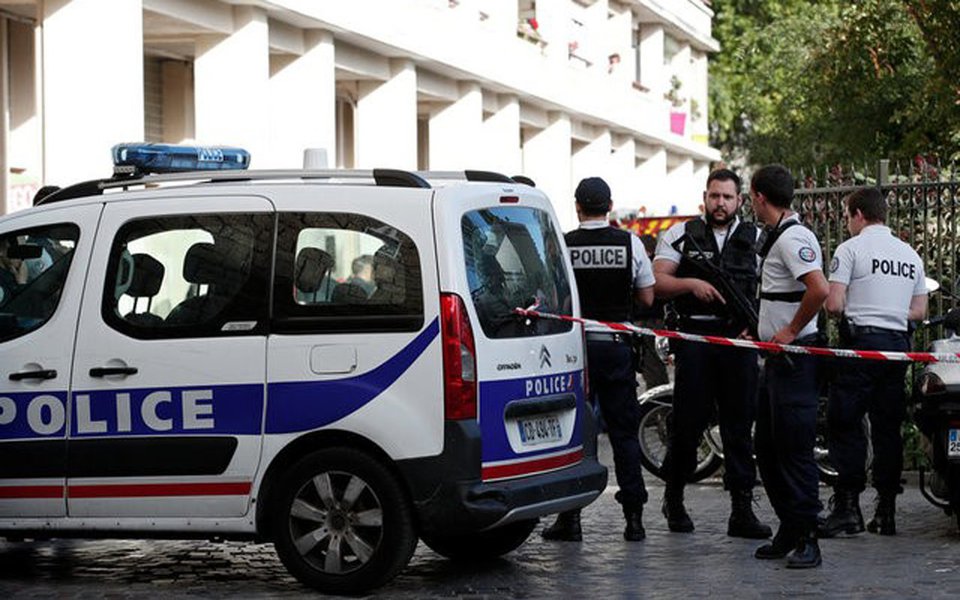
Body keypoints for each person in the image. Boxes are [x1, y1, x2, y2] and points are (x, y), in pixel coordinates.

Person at [652, 168, 770, 539]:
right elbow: (657, 282)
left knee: (739, 426)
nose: (720, 203)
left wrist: (760, 325)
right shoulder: (681, 235)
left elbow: (772, 288)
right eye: (715, 196)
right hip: (696, 339)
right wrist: (691, 284)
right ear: (705, 197)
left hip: (738, 341)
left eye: (728, 197)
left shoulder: (758, 239)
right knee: (688, 425)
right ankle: (674, 497)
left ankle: (741, 510)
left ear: (740, 201)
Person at [541, 176, 655, 542]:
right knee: (624, 432)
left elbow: (551, 296)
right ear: (609, 206)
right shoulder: (629, 242)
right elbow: (648, 298)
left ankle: (569, 518)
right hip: (617, 345)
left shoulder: (562, 244)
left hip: (574, 350)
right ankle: (634, 518)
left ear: (577, 207)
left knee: (574, 433)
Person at [819, 187, 927, 537]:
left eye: (847, 216)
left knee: (845, 421)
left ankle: (848, 506)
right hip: (897, 348)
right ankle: (886, 510)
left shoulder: (850, 249)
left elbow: (833, 305)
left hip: (860, 346)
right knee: (887, 428)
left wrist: (855, 310)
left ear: (858, 215)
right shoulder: (910, 254)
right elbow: (920, 311)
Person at [750, 164, 828, 569]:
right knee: (768, 447)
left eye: (750, 196)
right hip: (775, 362)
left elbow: (819, 289)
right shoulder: (778, 235)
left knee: (794, 451)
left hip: (795, 361)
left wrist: (790, 332)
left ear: (759, 196)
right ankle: (789, 528)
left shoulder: (795, 237)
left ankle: (809, 538)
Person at [635, 234, 669, 390]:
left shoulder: (648, 265)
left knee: (652, 367)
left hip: (648, 321)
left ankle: (656, 401)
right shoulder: (661, 266)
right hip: (657, 321)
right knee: (655, 366)